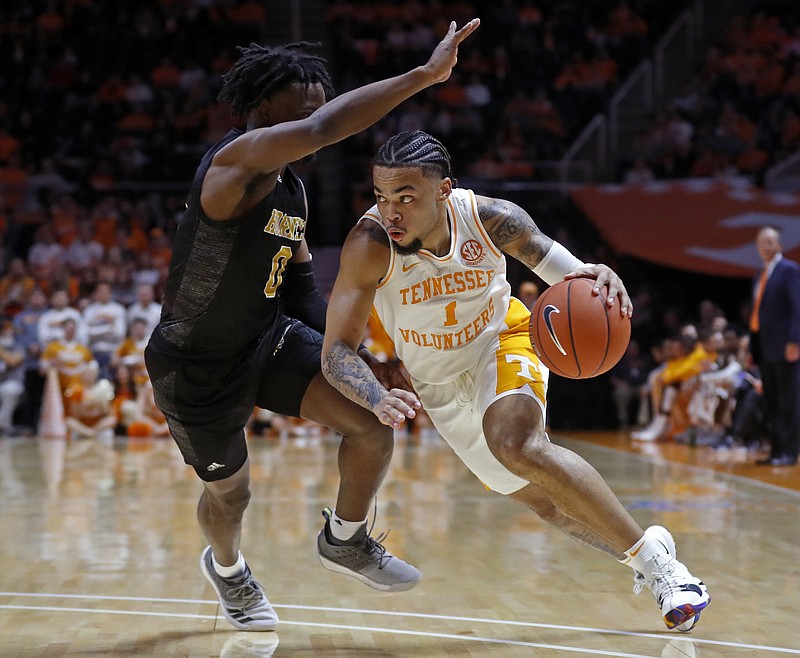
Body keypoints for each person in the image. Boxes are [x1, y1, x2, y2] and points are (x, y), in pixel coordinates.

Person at [143, 22, 480, 632]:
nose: (317, 118)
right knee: (232, 496)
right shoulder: (233, 163)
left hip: (267, 340)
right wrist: (422, 78)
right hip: (195, 364)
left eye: (320, 104)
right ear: (264, 109)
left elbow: (300, 291)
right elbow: (328, 130)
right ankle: (228, 570)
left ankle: (346, 540)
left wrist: (363, 362)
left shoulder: (292, 189)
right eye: (303, 107)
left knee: (372, 426)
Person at [321, 130, 710, 632]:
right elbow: (336, 352)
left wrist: (599, 276)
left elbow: (569, 275)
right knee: (546, 503)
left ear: (444, 191)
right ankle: (646, 551)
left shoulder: (489, 219)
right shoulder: (369, 245)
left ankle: (666, 571)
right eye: (381, 196)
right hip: (436, 385)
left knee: (516, 444)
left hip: (502, 340)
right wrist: (375, 396)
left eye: (406, 197)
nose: (390, 211)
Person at [749, 226, 800, 466]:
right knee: (772, 401)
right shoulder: (761, 274)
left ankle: (789, 452)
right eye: (762, 242)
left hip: (784, 347)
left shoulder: (789, 270)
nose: (766, 246)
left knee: (788, 401)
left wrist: (794, 341)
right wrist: (753, 347)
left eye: (770, 242)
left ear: (778, 245)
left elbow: (797, 308)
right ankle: (776, 451)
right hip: (764, 346)